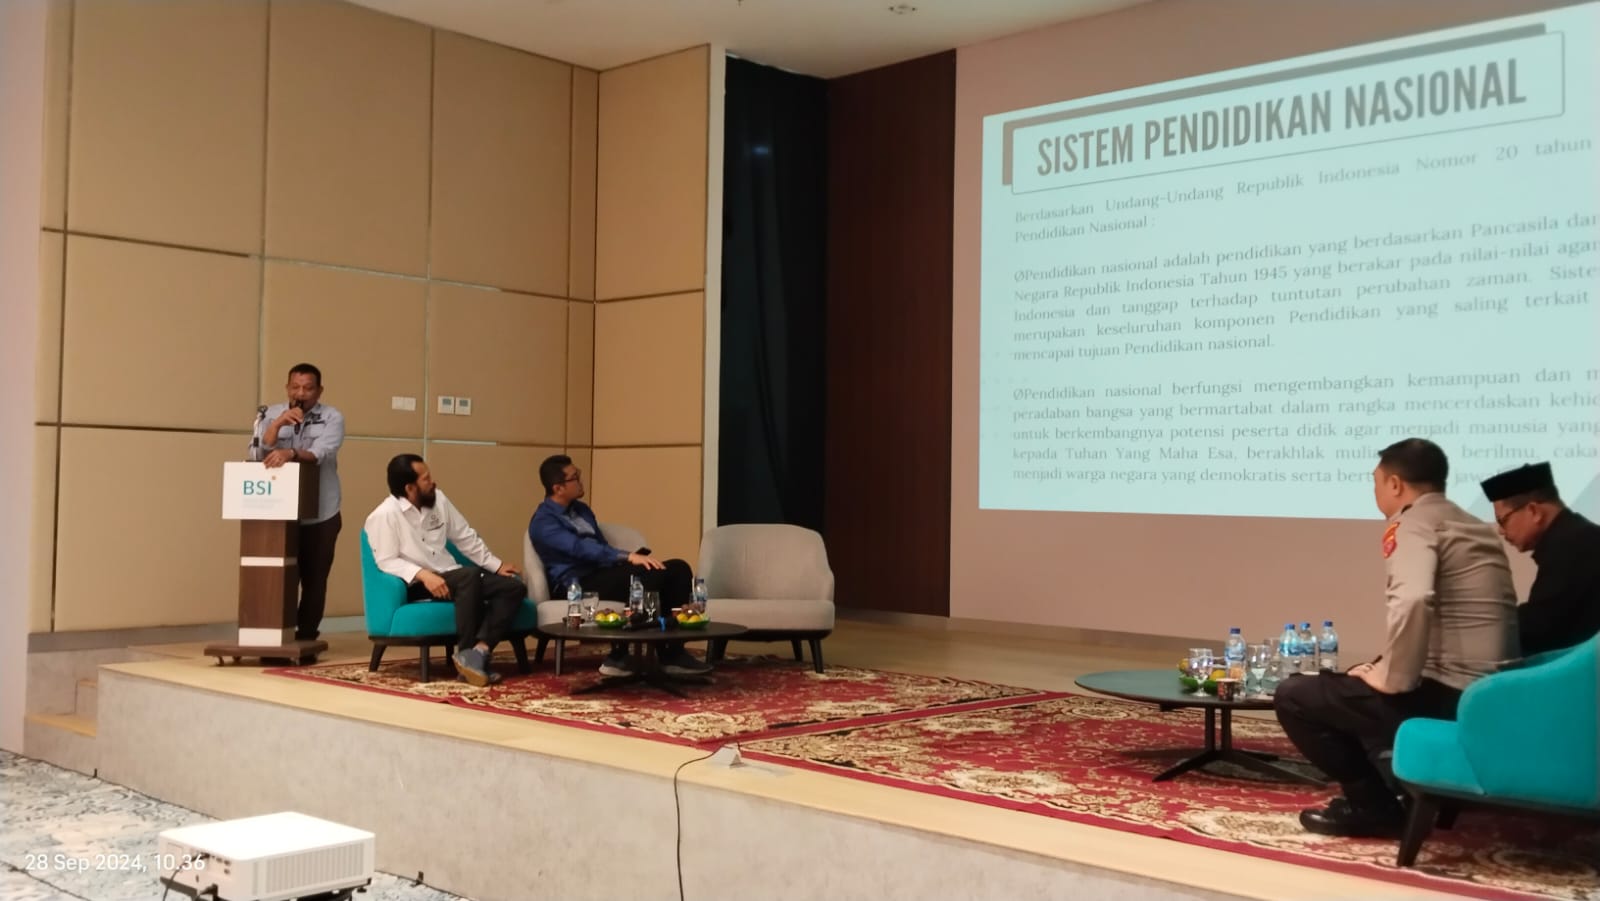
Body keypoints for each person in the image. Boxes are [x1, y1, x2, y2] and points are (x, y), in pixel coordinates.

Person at [1274, 438, 1519, 838]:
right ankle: (1400, 788)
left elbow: (1413, 598)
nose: (1375, 492)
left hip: (1449, 694)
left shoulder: (1413, 522)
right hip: (1492, 694)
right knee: (1358, 678)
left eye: (1375, 483)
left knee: (1295, 696)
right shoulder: (1473, 525)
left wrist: (1393, 678)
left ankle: (1373, 808)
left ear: (1394, 484)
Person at [527, 454, 711, 678]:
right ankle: (620, 655)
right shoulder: (543, 522)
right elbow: (579, 548)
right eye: (575, 477)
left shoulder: (582, 510)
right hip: (576, 585)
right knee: (646, 576)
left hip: (603, 573)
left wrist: (627, 559)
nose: (581, 481)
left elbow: (600, 546)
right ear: (558, 488)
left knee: (677, 569)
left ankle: (673, 652)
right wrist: (627, 557)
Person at [365, 454, 523, 687]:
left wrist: (496, 565)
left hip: (453, 575)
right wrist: (423, 574)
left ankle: (477, 652)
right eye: (426, 479)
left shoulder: (438, 499)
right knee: (469, 576)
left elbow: (464, 536)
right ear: (410, 488)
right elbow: (386, 561)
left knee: (513, 587)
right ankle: (467, 655)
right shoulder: (384, 515)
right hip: (419, 584)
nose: (433, 482)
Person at [253, 363, 344, 646]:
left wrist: (291, 452)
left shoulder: (332, 417)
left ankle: (306, 637)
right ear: (287, 387)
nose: (301, 393)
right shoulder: (270, 415)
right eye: (295, 387)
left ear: (319, 390)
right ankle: (277, 635)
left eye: (308, 388)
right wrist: (277, 425)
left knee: (314, 579)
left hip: (321, 511)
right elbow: (256, 453)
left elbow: (321, 453)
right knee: (281, 576)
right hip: (279, 513)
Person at [1481, 462, 1600, 655]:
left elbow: (1538, 628)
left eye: (1503, 521)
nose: (1501, 531)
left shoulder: (1571, 545)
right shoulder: (1578, 534)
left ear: (1534, 511)